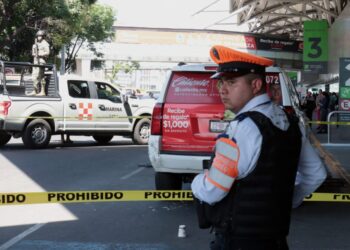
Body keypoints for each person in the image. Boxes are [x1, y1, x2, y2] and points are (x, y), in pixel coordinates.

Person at [191, 45, 327, 250]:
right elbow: (316, 173)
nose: (223, 90)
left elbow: (212, 190)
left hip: (237, 241)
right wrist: (284, 201)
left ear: (255, 85)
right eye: (221, 83)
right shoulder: (291, 122)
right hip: (276, 240)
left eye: (231, 82)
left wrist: (196, 182)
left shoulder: (241, 128)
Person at [28, 30, 50, 96]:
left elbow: (47, 52)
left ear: (43, 37)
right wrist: (35, 54)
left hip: (41, 61)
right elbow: (33, 53)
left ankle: (42, 92)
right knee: (34, 76)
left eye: (40, 36)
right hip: (35, 61)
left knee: (40, 76)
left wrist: (40, 54)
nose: (39, 37)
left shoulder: (45, 43)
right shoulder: (35, 44)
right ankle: (35, 90)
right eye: (38, 36)